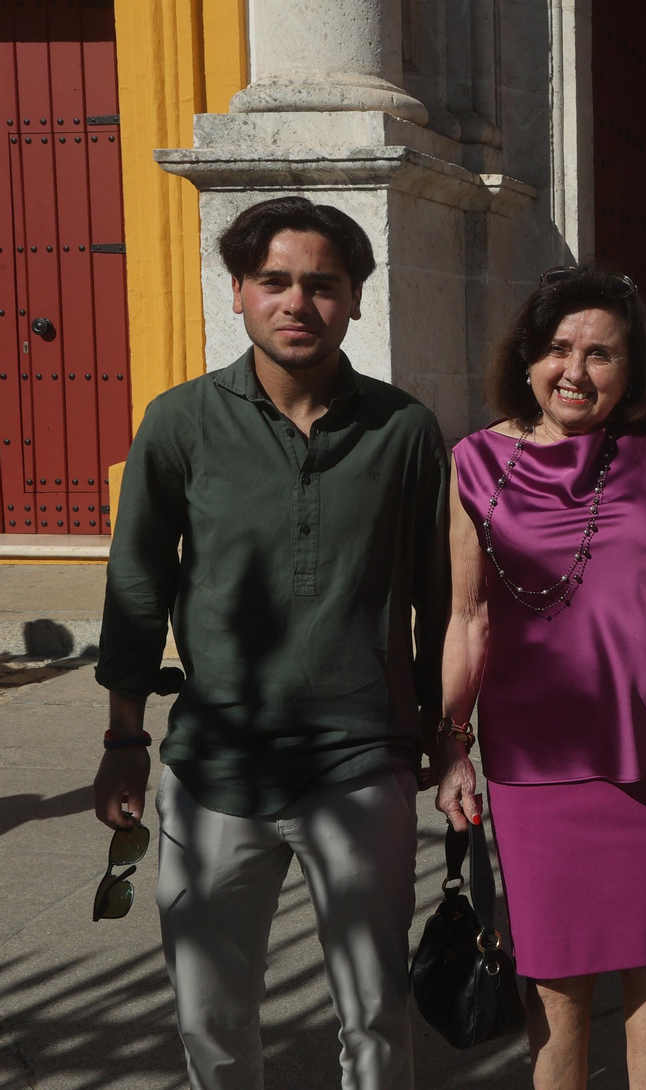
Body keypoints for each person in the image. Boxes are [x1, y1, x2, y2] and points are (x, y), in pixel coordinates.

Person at [93, 196, 450, 1090]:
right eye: (275, 282)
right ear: (242, 293)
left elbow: (443, 603)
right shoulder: (180, 423)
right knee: (210, 1013)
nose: (298, 303)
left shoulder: (404, 431)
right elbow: (137, 587)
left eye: (323, 285)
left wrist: (452, 738)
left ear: (357, 300)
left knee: (374, 1011)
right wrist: (124, 740)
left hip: (362, 763)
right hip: (218, 769)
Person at [435, 266, 646, 1090]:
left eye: (603, 355)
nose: (576, 371)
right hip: (539, 760)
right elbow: (468, 619)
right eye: (560, 348)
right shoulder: (473, 462)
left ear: (633, 370)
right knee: (554, 975)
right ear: (528, 357)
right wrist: (452, 745)